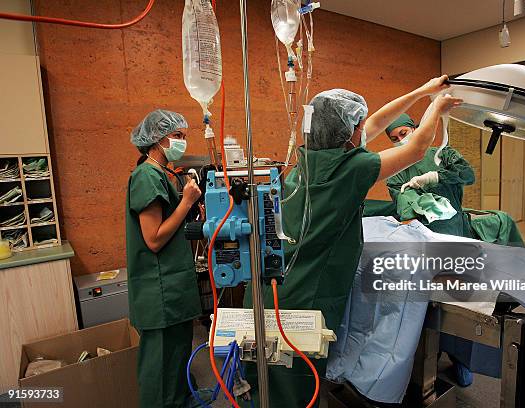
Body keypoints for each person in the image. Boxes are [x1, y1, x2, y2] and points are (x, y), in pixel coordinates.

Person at [243, 77, 463, 407]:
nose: (365, 129)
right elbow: (416, 148)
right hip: (303, 299)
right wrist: (437, 107)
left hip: (268, 290)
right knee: (296, 390)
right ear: (349, 132)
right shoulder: (352, 168)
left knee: (263, 382)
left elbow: (374, 122)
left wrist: (421, 91)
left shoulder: (306, 158)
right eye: (359, 125)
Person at [126, 109, 203, 408]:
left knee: (176, 361)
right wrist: (186, 201)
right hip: (159, 292)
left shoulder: (163, 174)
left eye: (184, 136)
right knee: (161, 370)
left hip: (172, 288)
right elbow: (154, 239)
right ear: (157, 140)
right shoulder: (146, 176)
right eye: (177, 136)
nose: (182, 143)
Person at [386, 113, 475, 237]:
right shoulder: (395, 171)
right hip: (423, 233)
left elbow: (468, 175)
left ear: (414, 130)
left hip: (456, 227)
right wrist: (423, 202)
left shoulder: (443, 154)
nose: (401, 141)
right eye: (394, 139)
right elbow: (404, 205)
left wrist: (436, 177)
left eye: (403, 133)